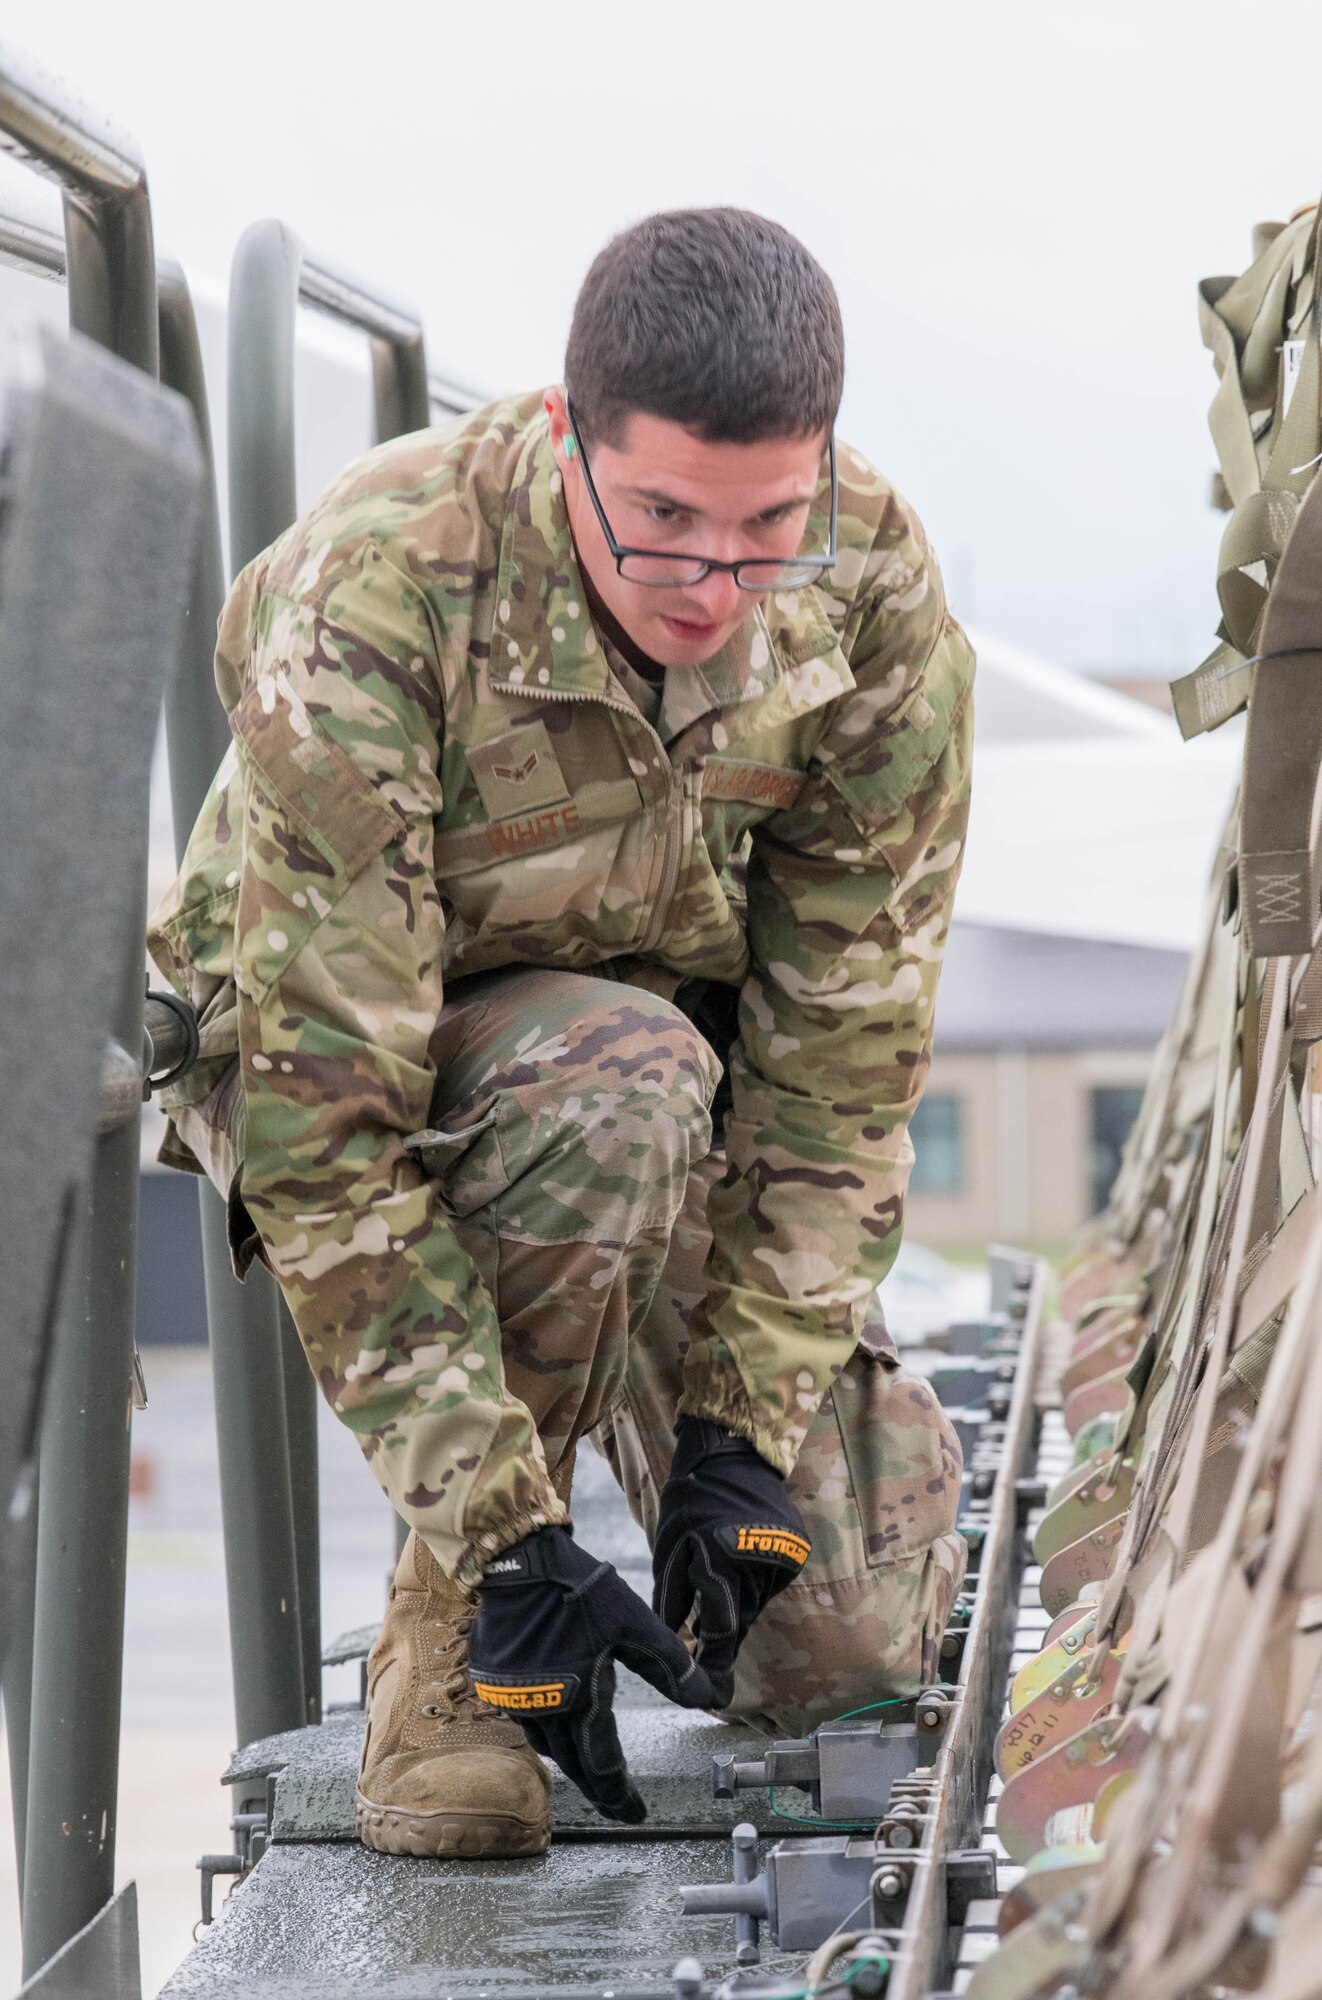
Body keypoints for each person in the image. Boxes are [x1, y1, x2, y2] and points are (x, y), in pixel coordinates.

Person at [149, 206, 974, 1862]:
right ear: (562, 438)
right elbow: (329, 1130)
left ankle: (707, 1468)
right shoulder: (380, 585)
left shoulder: (867, 586)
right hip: (374, 1065)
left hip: (662, 1095)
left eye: (766, 528)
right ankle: (449, 1645)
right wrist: (512, 1533)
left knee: (842, 1651)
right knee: (620, 1078)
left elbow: (840, 1065)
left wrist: (740, 1432)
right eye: (662, 520)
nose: (715, 585)